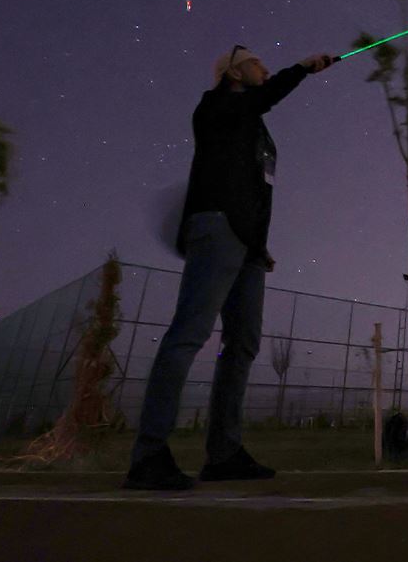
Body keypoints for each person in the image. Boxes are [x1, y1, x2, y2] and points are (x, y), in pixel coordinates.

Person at [124, 45, 334, 490]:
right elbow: (265, 96)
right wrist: (302, 68)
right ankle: (148, 455)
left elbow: (256, 189)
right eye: (258, 62)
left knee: (242, 344)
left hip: (246, 244)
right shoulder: (217, 105)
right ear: (235, 73)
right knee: (189, 334)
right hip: (217, 228)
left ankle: (223, 454)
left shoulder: (250, 122)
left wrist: (259, 246)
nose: (266, 67)